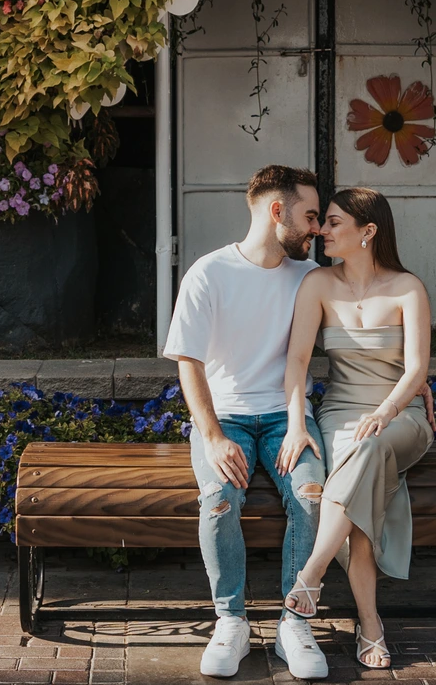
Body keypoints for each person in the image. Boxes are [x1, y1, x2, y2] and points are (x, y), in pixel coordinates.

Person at [163, 164, 331, 680]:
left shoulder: (311, 276)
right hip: (227, 417)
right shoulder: (208, 273)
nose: (318, 228)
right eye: (310, 216)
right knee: (218, 500)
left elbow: (371, 324)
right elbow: (187, 361)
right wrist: (211, 436)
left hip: (288, 419)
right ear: (276, 212)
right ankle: (230, 622)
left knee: (310, 495)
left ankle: (294, 623)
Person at [276, 186, 433, 671]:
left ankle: (312, 573)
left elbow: (415, 373)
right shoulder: (317, 284)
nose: (322, 229)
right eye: (323, 220)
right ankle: (370, 624)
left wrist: (386, 412)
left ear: (368, 231)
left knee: (369, 447)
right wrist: (295, 423)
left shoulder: (408, 288)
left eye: (334, 221)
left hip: (400, 417)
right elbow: (298, 361)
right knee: (361, 493)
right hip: (339, 413)